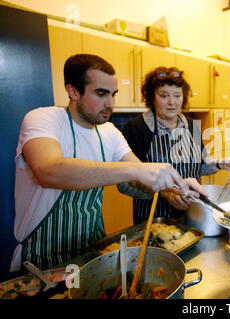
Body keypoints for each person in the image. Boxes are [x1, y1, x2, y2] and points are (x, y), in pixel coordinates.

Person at [11, 54, 206, 272]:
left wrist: (177, 186)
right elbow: (49, 172)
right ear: (73, 91)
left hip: (93, 249)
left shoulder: (109, 132)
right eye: (101, 94)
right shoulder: (44, 119)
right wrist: (137, 169)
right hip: (42, 257)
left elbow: (138, 180)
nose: (111, 104)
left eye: (113, 95)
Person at [121, 66, 230, 223]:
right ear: (152, 97)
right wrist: (165, 192)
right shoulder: (136, 128)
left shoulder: (192, 126)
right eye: (164, 95)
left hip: (192, 214)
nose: (172, 102)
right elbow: (125, 183)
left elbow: (200, 166)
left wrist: (220, 164)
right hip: (152, 219)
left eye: (177, 95)